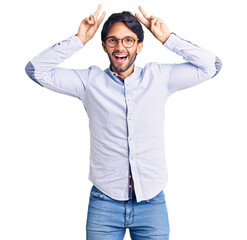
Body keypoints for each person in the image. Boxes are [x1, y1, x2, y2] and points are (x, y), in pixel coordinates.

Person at [25, 4, 222, 240]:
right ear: (104, 46)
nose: (120, 47)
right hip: (104, 204)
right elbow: (36, 70)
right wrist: (78, 40)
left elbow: (212, 66)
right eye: (113, 40)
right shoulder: (89, 81)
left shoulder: (159, 77)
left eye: (129, 40)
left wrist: (168, 38)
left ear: (139, 45)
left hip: (152, 203)